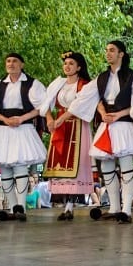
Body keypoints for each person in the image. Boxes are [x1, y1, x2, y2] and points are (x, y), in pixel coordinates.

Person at [69, 40, 133, 224]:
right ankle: (114, 207)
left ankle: (127, 209)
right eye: (107, 50)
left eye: (112, 50)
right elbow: (86, 97)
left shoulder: (132, 77)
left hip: (124, 126)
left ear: (121, 54)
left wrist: (119, 113)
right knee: (107, 167)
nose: (108, 53)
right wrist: (103, 112)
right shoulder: (102, 77)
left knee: (126, 167)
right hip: (107, 126)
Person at [0, 53, 48, 222]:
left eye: (15, 61)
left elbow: (42, 106)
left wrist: (22, 119)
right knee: (5, 169)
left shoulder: (32, 84)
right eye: (8, 61)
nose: (11, 64)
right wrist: (4, 119)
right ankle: (12, 207)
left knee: (20, 167)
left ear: (22, 64)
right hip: (3, 129)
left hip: (23, 127)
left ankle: (21, 206)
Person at [43, 51, 95, 221]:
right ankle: (65, 204)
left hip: (77, 127)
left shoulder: (85, 85)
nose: (67, 66)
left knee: (76, 164)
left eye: (71, 63)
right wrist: (50, 119)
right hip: (59, 126)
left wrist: (61, 119)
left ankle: (70, 206)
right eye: (65, 63)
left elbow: (79, 106)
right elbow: (46, 104)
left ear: (79, 67)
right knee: (60, 164)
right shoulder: (58, 84)